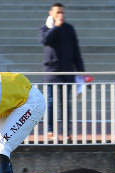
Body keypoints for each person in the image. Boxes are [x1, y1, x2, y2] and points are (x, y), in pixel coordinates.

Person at [39, 3, 85, 140]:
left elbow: (75, 50)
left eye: (62, 12)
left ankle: (66, 131)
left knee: (65, 103)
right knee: (51, 102)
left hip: (67, 71)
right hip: (51, 71)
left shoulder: (69, 28)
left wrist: (81, 71)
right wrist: (56, 27)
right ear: (51, 13)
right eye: (57, 12)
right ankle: (51, 130)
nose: (60, 15)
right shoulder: (46, 28)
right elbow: (45, 40)